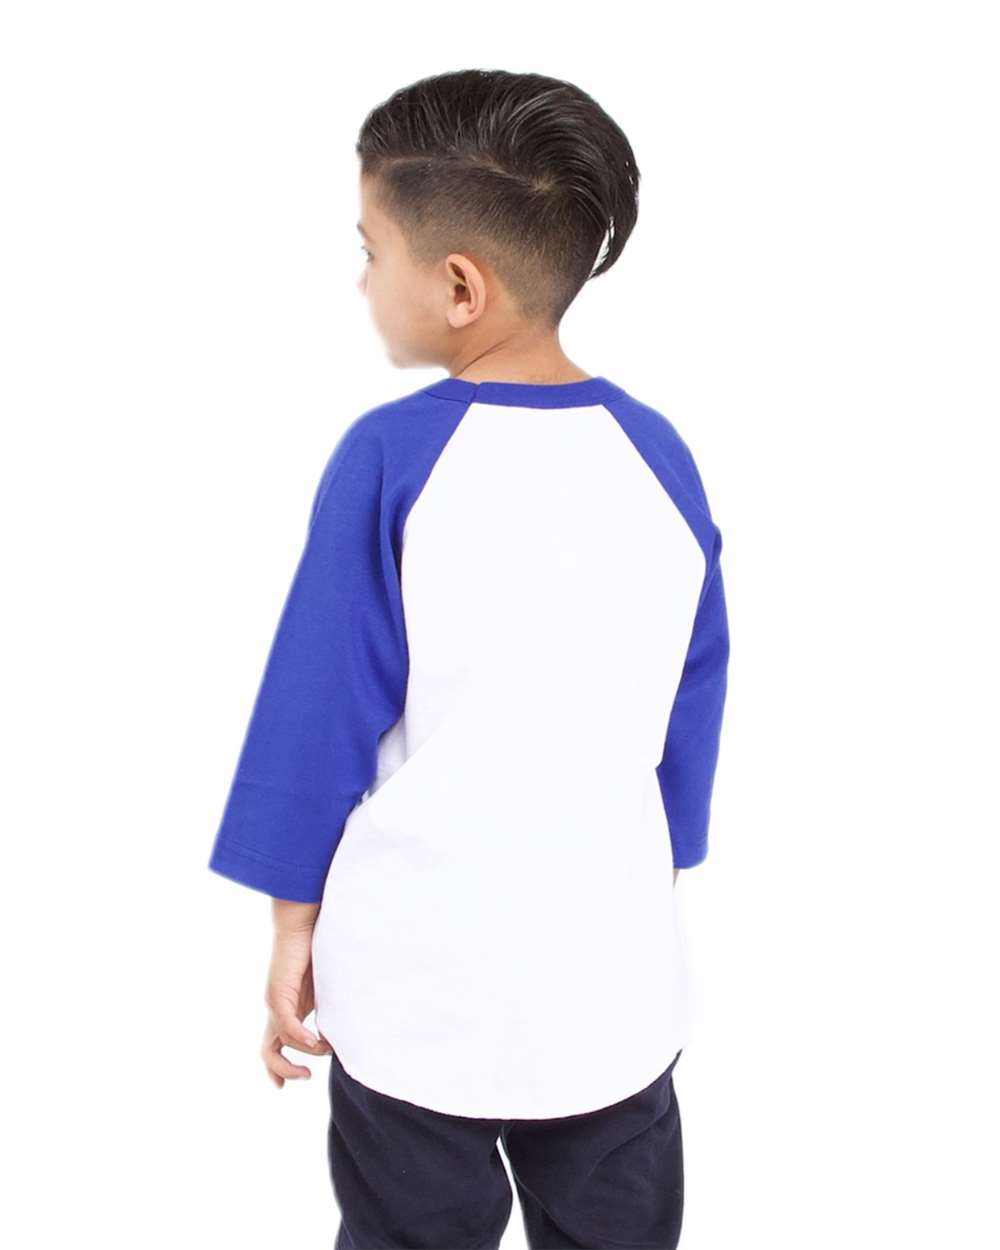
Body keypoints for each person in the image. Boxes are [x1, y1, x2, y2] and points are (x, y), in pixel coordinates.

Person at [208, 67, 730, 1250]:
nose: (361, 279)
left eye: (370, 249)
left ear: (457, 284)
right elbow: (691, 689)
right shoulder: (657, 454)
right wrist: (657, 859)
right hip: (609, 977)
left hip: (415, 976)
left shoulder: (393, 456)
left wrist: (291, 924)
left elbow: (318, 704)